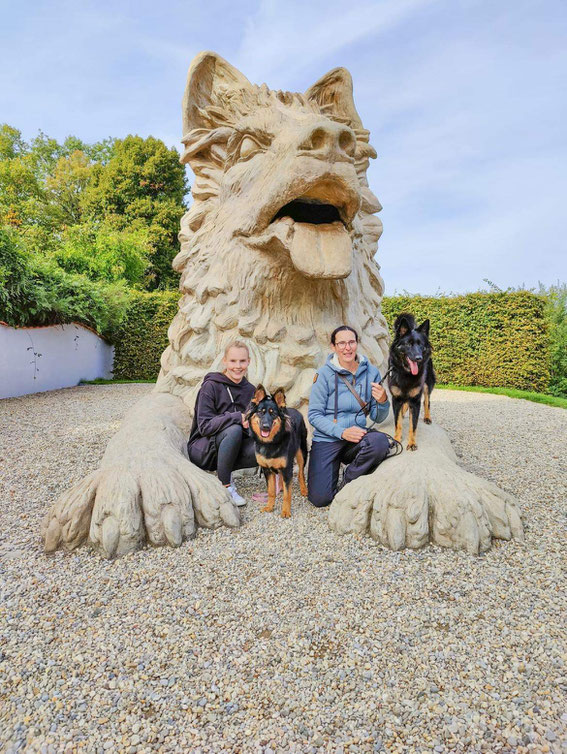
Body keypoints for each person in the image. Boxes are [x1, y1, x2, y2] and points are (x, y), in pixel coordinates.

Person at [307, 325, 391, 507]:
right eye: (342, 343)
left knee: (380, 442)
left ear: (357, 343)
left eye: (351, 342)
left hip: (356, 437)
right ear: (333, 347)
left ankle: (348, 480)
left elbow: (377, 416)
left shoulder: (372, 372)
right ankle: (333, 470)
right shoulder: (323, 374)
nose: (347, 348)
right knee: (320, 499)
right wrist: (342, 432)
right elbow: (314, 415)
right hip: (327, 439)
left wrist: (383, 401)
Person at [188, 341, 257, 505]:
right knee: (233, 429)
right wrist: (237, 417)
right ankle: (225, 486)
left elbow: (250, 428)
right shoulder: (211, 386)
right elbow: (204, 427)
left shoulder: (251, 390)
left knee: (266, 444)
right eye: (233, 361)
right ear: (224, 361)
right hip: (204, 450)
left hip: (233, 449)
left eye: (242, 361)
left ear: (249, 362)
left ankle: (227, 472)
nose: (237, 366)